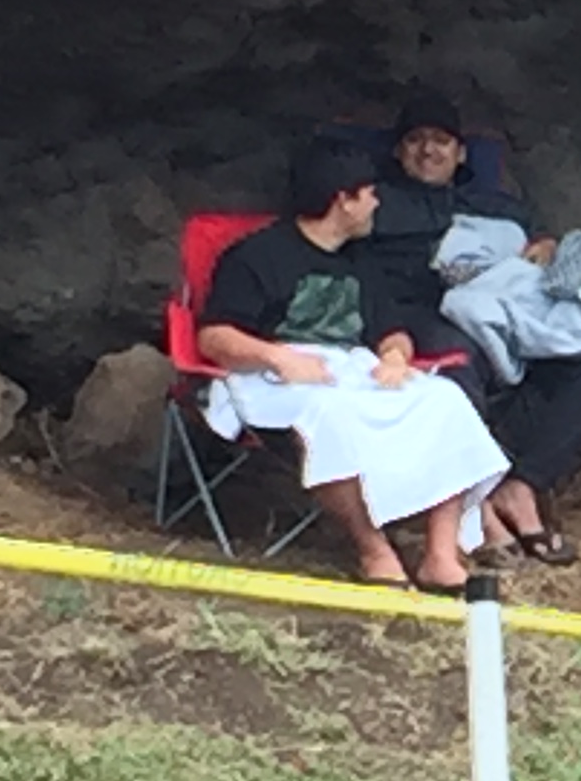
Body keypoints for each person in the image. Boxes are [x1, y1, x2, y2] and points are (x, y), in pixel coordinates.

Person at [196, 135, 510, 592]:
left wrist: (396, 358)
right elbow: (213, 336)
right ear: (343, 201)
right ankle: (373, 548)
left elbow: (391, 328)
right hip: (272, 371)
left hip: (352, 368)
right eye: (369, 194)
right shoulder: (256, 257)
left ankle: (440, 556)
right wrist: (276, 356)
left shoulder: (361, 261)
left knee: (446, 399)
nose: (377, 202)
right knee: (328, 417)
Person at [358, 88, 581, 566]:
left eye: (441, 141)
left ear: (461, 153)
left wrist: (544, 248)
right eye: (415, 140)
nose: (428, 150)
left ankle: (522, 486)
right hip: (421, 316)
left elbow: (543, 245)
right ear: (398, 151)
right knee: (460, 361)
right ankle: (474, 506)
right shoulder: (377, 202)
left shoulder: (495, 204)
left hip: (508, 314)